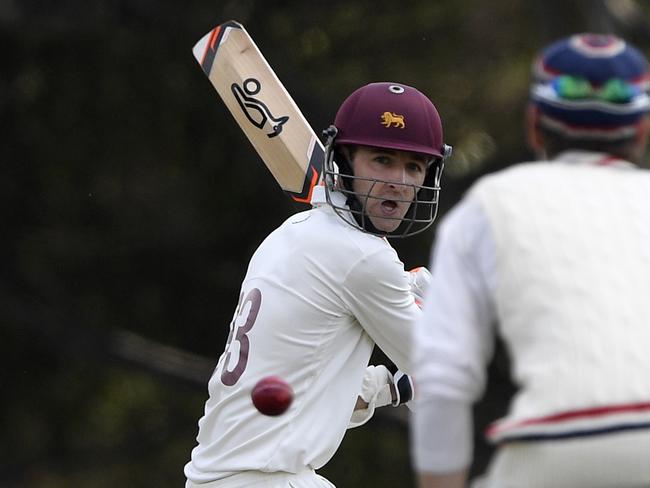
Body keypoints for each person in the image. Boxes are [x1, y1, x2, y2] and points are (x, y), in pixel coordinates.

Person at [411, 33, 650, 488]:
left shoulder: (488, 205)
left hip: (555, 452)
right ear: (642, 129)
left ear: (535, 124)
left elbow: (443, 380)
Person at [185, 81, 452, 488]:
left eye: (414, 166)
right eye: (382, 160)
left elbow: (313, 396)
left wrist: (392, 386)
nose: (399, 180)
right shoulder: (364, 258)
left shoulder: (290, 235)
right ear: (343, 161)